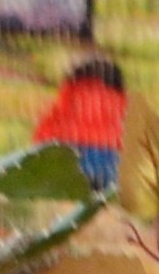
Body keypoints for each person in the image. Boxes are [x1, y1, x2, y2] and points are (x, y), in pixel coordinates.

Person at [32, 58, 127, 190]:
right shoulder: (121, 102)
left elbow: (45, 132)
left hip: (71, 161)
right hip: (110, 165)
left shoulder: (70, 96)